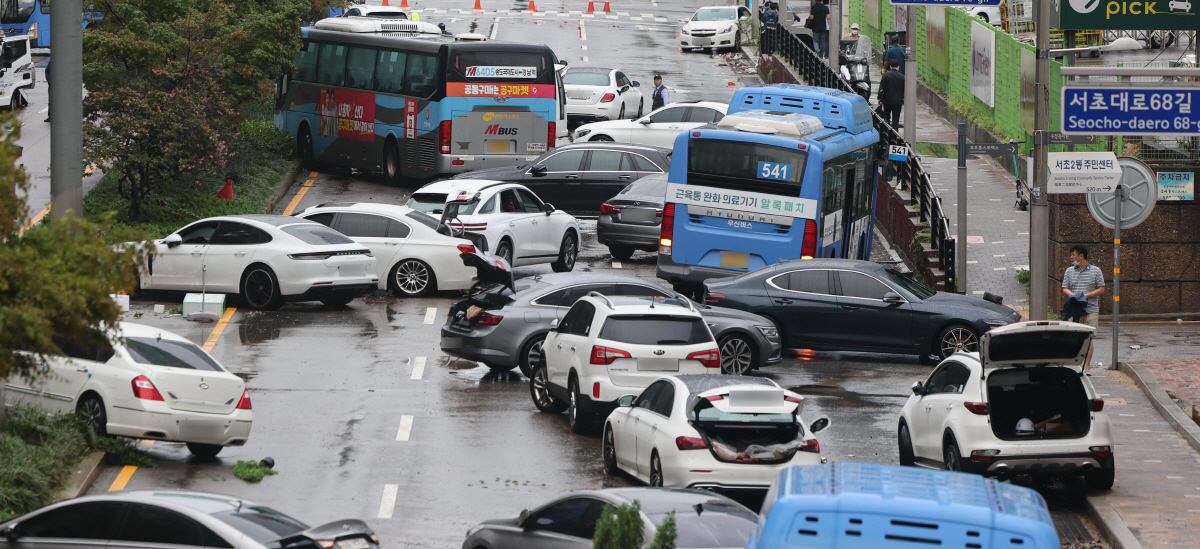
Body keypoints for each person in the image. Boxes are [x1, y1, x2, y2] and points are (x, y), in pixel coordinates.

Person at [1062, 244, 1105, 370]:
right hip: (1074, 311)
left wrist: (1085, 296)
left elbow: (1101, 289)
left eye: (1073, 255)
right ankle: (1073, 366)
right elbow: (1065, 288)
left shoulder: (1096, 271)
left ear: (1081, 256)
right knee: (1072, 338)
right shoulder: (1069, 271)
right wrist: (1074, 296)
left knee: (1088, 338)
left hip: (1091, 310)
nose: (1071, 257)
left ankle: (1086, 367)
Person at [877, 59, 904, 129]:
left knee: (886, 118)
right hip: (898, 101)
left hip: (887, 101)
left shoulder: (886, 76)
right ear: (898, 67)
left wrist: (880, 98)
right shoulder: (902, 77)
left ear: (890, 66)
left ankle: (887, 131)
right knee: (896, 120)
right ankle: (895, 133)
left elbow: (881, 88)